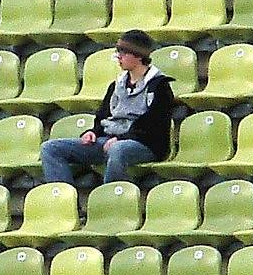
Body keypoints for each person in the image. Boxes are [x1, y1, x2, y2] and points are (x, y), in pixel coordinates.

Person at [40, 29, 179, 188]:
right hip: (109, 139)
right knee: (50, 148)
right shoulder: (116, 85)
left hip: (144, 144)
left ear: (139, 55)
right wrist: (93, 132)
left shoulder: (159, 86)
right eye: (118, 52)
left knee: (117, 150)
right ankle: (65, 200)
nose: (118, 57)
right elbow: (103, 116)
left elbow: (154, 126)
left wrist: (121, 138)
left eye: (124, 52)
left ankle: (110, 198)